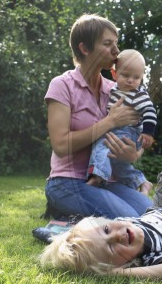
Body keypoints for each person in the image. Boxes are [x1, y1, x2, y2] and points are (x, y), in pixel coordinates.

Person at [43, 14, 152, 220]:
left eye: (116, 43)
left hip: (108, 181)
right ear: (85, 49)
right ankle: (64, 211)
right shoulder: (62, 85)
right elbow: (60, 144)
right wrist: (109, 122)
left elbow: (132, 132)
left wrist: (133, 155)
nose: (116, 51)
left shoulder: (117, 90)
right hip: (67, 182)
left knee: (156, 215)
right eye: (108, 44)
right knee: (130, 222)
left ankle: (74, 217)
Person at [86, 49, 157, 192]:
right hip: (119, 130)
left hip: (127, 131)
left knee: (101, 145)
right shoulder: (114, 89)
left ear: (141, 78)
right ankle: (141, 182)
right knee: (119, 166)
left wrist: (148, 133)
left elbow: (150, 111)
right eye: (125, 75)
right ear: (114, 74)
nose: (131, 80)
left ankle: (98, 176)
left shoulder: (138, 94)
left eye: (136, 77)